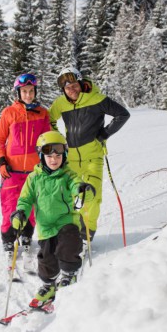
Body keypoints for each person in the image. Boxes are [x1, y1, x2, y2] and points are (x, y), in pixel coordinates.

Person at [11, 131, 95, 309]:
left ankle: (69, 274)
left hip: (66, 221)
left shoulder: (68, 175)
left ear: (64, 156)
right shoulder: (33, 178)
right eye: (49, 156)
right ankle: (49, 285)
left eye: (58, 156)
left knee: (68, 244)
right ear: (41, 156)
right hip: (46, 227)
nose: (54, 160)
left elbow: (76, 187)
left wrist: (82, 191)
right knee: (46, 258)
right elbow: (25, 200)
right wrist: (21, 213)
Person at [48, 67, 130, 241]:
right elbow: (49, 119)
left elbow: (122, 114)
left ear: (81, 83)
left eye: (74, 85)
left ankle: (86, 234)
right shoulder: (61, 103)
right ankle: (70, 231)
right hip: (71, 159)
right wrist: (58, 139)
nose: (72, 90)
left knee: (92, 196)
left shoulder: (97, 98)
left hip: (93, 157)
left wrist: (104, 134)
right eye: (67, 88)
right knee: (68, 196)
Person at [0, 73, 52, 266]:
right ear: (18, 92)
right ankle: (9, 240)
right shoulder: (9, 113)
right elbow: (0, 139)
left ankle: (27, 235)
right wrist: (2, 161)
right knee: (10, 207)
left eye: (31, 91)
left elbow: (47, 139)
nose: (28, 95)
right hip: (12, 170)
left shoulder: (43, 113)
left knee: (32, 207)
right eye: (24, 91)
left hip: (35, 171)